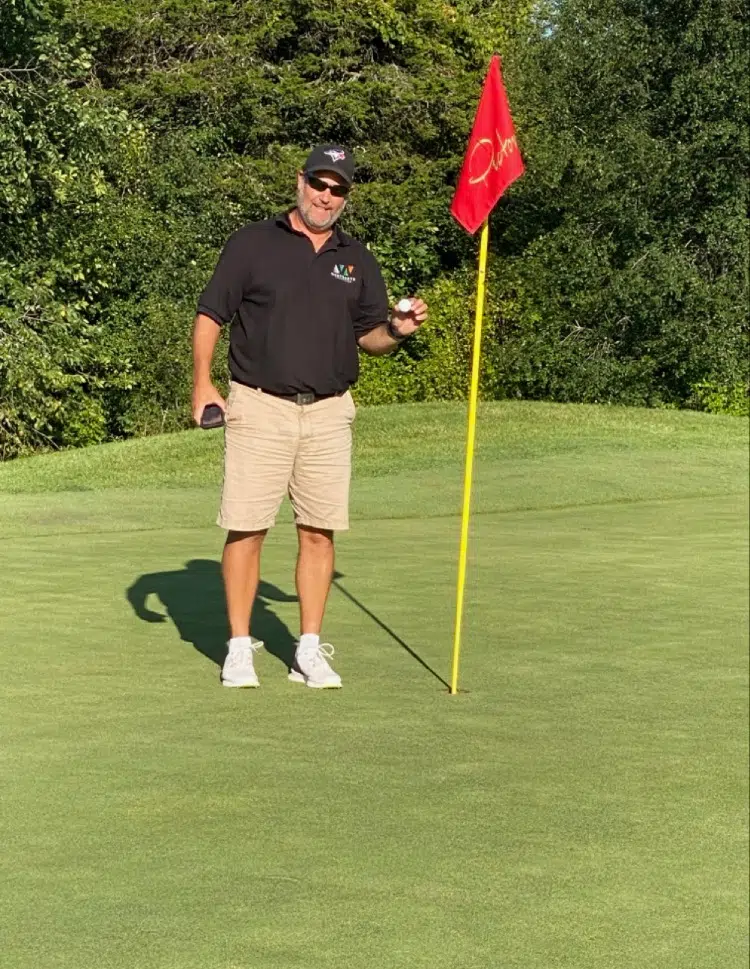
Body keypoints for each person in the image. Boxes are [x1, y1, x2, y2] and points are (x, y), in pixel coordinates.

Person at [191, 143, 428, 689]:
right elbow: (210, 315)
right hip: (258, 405)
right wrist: (203, 384)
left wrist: (395, 330)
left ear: (347, 196)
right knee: (247, 529)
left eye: (337, 188)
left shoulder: (357, 259)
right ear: (300, 182)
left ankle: (309, 650)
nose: (326, 196)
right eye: (319, 183)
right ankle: (238, 648)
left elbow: (368, 338)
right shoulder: (253, 243)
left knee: (319, 532)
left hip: (328, 414)